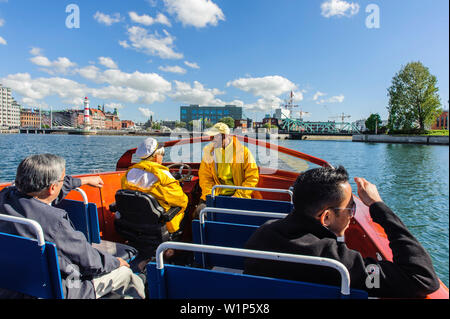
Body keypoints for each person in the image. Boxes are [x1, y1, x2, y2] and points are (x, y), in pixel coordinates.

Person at [244, 166, 440, 298]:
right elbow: (422, 278)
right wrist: (378, 206)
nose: (352, 216)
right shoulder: (336, 264)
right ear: (326, 217)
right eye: (351, 209)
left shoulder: (262, 234)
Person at [0, 154, 145, 299]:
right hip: (58, 290)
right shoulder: (54, 222)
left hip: (12, 286)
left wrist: (86, 180)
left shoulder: (5, 197)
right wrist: (116, 262)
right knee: (126, 274)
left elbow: (54, 191)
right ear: (52, 187)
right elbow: (90, 261)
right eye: (62, 180)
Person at [121, 137, 188, 235]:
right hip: (161, 224)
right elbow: (181, 201)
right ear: (156, 156)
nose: (162, 157)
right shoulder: (162, 175)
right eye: (162, 155)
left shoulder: (129, 173)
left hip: (134, 224)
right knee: (186, 209)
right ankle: (171, 247)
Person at [195, 122, 259, 218]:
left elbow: (252, 177)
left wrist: (239, 196)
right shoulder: (209, 152)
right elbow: (205, 177)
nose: (211, 140)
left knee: (236, 219)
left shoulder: (243, 152)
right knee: (199, 213)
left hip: (237, 195)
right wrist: (210, 195)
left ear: (224, 136)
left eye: (213, 137)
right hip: (215, 194)